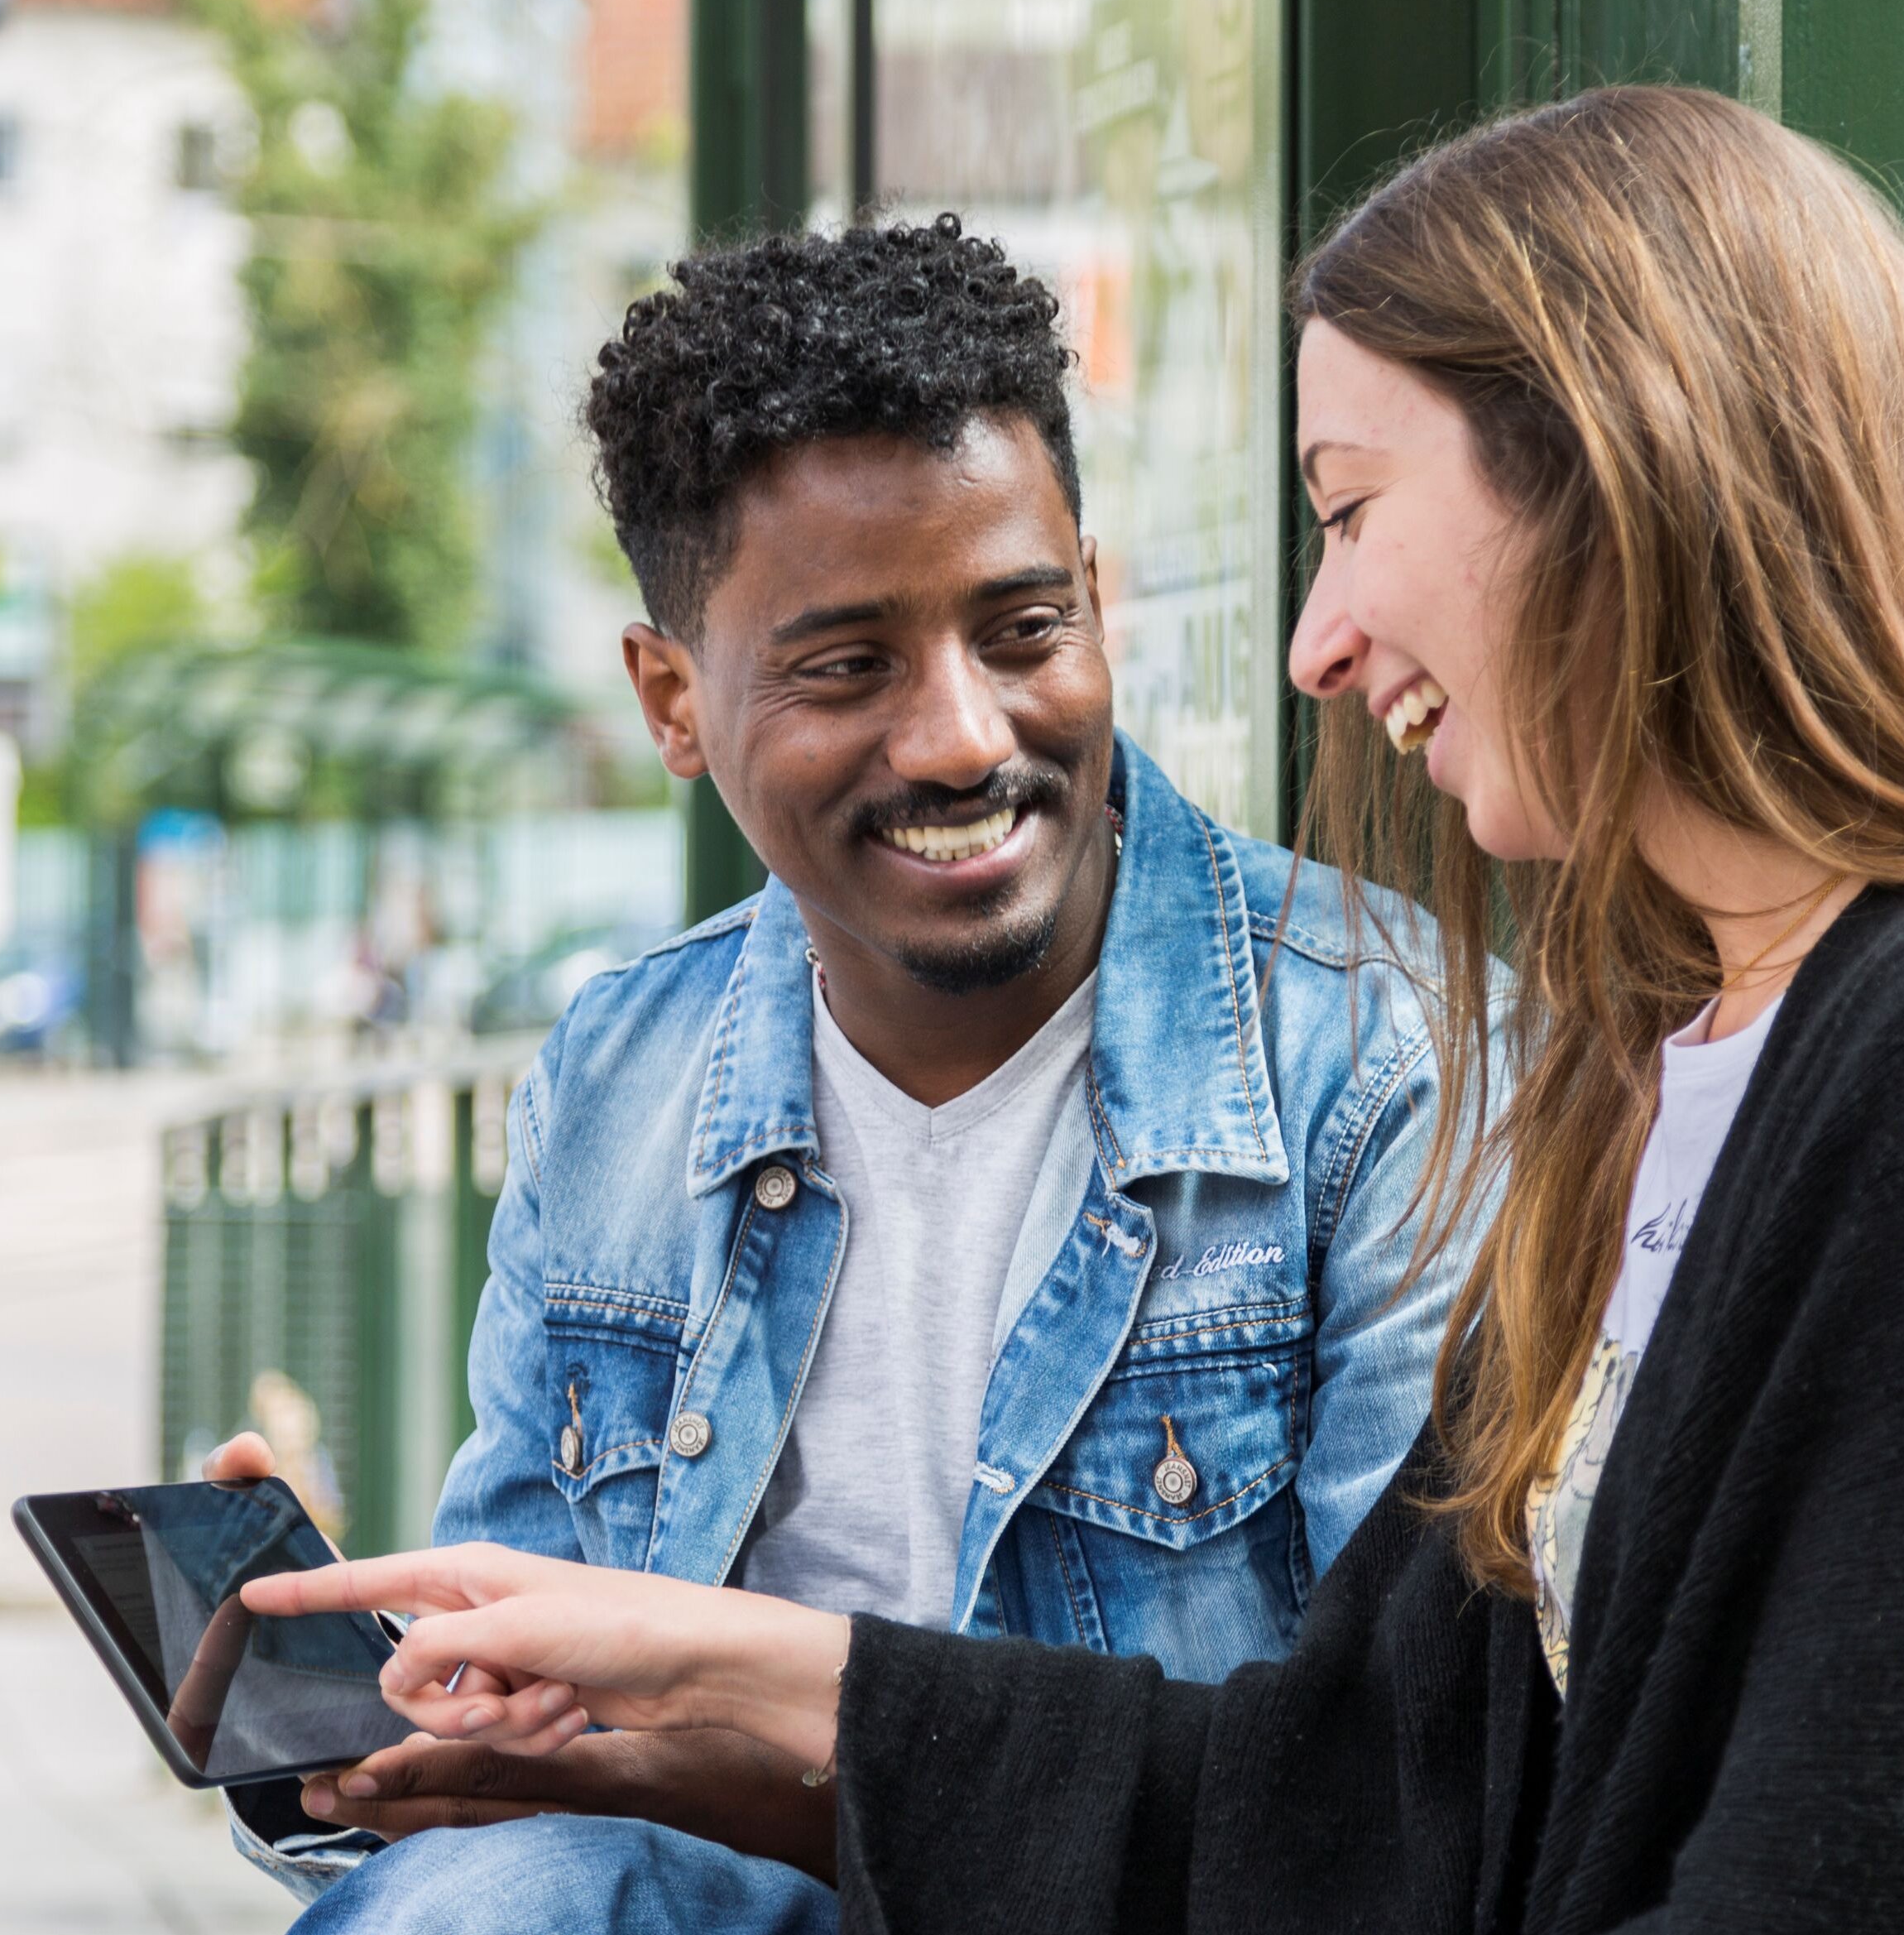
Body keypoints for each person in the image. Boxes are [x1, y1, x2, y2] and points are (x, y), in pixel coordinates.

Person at [237, 86, 1904, 1934]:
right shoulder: (1671, 1068)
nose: (1319, 638)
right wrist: (697, 1689)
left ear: (1616, 467)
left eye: (1354, 512)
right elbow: (1381, 1798)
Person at [212, 214, 1464, 1932]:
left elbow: (1392, 1804)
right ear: (671, 699)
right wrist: (357, 1714)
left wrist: (740, 1733)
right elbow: (520, 1761)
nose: (961, 735)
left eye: (1023, 628)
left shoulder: (1388, 1056)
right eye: (846, 666)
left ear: (1098, 600)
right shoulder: (619, 1075)